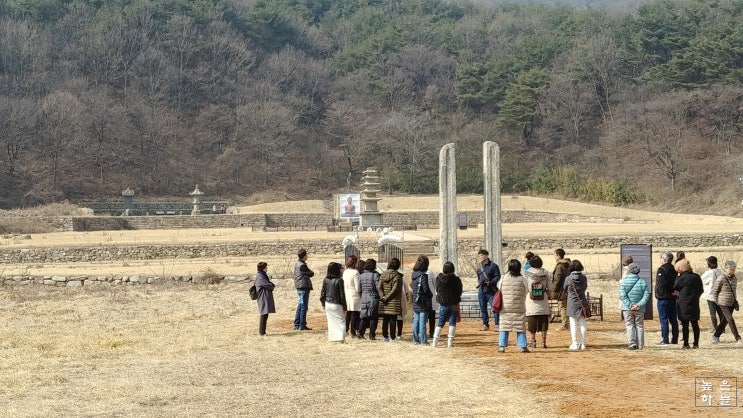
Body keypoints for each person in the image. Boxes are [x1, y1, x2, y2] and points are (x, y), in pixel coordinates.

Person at [497, 259, 530, 353]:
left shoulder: (503, 278)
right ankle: (523, 346)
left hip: (505, 306)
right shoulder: (523, 279)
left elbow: (499, 288)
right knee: (520, 327)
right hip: (519, 306)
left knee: (504, 326)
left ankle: (502, 346)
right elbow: (526, 291)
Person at [619, 263, 651, 350]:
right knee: (640, 326)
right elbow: (646, 295)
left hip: (627, 308)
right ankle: (640, 345)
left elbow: (622, 295)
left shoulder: (624, 282)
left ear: (629, 270)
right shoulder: (642, 282)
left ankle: (632, 344)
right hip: (639, 309)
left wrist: (630, 305)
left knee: (630, 325)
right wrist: (638, 305)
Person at [432, 261, 463, 348]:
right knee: (452, 322)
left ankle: (435, 341)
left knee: (440, 322)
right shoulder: (456, 279)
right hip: (454, 303)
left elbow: (437, 290)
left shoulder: (439, 279)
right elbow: (459, 291)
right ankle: (450, 342)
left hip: (443, 303)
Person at [674, 259, 703, 349]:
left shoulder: (682, 278)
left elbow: (675, 286)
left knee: (685, 324)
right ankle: (696, 343)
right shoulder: (697, 277)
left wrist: (678, 277)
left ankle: (686, 343)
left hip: (684, 303)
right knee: (695, 324)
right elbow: (701, 290)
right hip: (694, 302)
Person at [710, 261, 741, 345]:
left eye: (733, 269)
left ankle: (715, 336)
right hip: (723, 303)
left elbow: (733, 291)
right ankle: (738, 338)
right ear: (726, 269)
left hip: (731, 303)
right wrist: (717, 301)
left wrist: (735, 301)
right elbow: (715, 291)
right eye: (730, 269)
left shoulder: (735, 278)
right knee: (730, 319)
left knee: (725, 321)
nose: (732, 271)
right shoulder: (721, 278)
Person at [524, 255, 551, 349]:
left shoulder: (526, 273)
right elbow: (550, 287)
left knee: (532, 321)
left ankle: (533, 341)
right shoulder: (546, 273)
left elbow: (524, 287)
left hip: (531, 300)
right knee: (544, 321)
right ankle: (543, 342)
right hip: (543, 299)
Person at [563, 259, 589, 350]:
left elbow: (565, 288)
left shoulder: (568, 278)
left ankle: (574, 343)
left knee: (573, 324)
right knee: (583, 323)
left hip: (572, 303)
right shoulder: (584, 277)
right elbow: (585, 287)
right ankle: (583, 343)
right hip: (582, 302)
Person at [655, 251, 678, 345]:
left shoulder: (662, 270)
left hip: (664, 297)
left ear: (664, 259)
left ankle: (665, 339)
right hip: (673, 298)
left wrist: (671, 290)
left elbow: (663, 283)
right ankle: (675, 339)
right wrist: (674, 291)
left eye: (661, 258)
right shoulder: (674, 269)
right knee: (673, 319)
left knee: (664, 319)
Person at [320, 262, 347, 342]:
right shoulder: (339, 280)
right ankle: (341, 338)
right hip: (337, 304)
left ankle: (333, 338)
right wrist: (345, 307)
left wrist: (323, 303)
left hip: (328, 303)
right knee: (341, 321)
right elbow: (342, 295)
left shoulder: (325, 279)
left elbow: (322, 293)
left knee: (331, 321)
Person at [378, 257, 403, 342]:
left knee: (385, 319)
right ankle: (392, 337)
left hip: (384, 301)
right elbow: (395, 289)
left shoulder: (383, 274)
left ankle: (385, 336)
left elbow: (379, 287)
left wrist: (383, 297)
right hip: (393, 301)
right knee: (393, 320)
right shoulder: (398, 276)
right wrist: (387, 297)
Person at [476, 249, 501, 331]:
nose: (480, 257)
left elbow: (498, 276)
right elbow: (479, 277)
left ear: (487, 256)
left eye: (482, 255)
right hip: (481, 290)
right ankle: (485, 324)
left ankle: (497, 324)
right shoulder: (479, 266)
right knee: (483, 308)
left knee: (495, 308)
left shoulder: (493, 266)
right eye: (479, 256)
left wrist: (491, 282)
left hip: (491, 290)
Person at [411, 255, 433, 345]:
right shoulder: (423, 276)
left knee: (416, 321)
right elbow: (426, 289)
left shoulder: (413, 275)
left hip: (416, 300)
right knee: (422, 322)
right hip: (423, 301)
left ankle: (415, 340)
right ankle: (424, 341)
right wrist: (430, 295)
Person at [358, 258, 381, 340]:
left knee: (364, 316)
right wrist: (381, 296)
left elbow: (359, 289)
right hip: (373, 297)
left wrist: (362, 296)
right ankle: (372, 335)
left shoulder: (361, 275)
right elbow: (378, 287)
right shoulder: (375, 275)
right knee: (373, 317)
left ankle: (360, 333)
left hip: (364, 297)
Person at [293, 249, 315, 331]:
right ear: (304, 256)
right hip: (303, 287)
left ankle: (296, 324)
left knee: (300, 306)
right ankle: (302, 325)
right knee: (303, 307)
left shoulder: (297, 264)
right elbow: (311, 273)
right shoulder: (302, 265)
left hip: (299, 287)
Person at [700, 256, 723, 332]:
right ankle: (722, 328)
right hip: (719, 294)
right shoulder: (719, 271)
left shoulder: (709, 272)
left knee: (712, 312)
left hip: (711, 295)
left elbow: (701, 280)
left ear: (709, 263)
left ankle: (715, 328)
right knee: (720, 312)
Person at [551, 248, 571, 331]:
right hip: (568, 289)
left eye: (555, 255)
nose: (554, 257)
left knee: (562, 307)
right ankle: (568, 323)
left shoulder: (559, 266)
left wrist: (554, 289)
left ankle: (565, 324)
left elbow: (557, 279)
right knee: (567, 306)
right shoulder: (568, 264)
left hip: (561, 290)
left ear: (558, 256)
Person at [343, 255, 361, 338]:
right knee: (354, 313)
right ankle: (353, 331)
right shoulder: (355, 272)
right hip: (354, 294)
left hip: (347, 293)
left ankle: (346, 329)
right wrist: (360, 294)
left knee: (348, 313)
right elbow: (357, 286)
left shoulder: (345, 271)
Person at [255, 261, 275, 337]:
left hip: (264, 296)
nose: (267, 269)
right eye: (266, 267)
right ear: (263, 268)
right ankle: (262, 333)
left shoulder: (262, 275)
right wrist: (271, 285)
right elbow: (268, 285)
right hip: (263, 297)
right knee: (264, 314)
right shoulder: (260, 276)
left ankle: (263, 332)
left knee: (265, 314)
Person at [426, 262, 439, 339]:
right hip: (431, 298)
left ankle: (422, 332)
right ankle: (431, 332)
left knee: (422, 317)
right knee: (431, 317)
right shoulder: (430, 273)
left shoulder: (416, 273)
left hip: (421, 299)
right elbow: (435, 284)